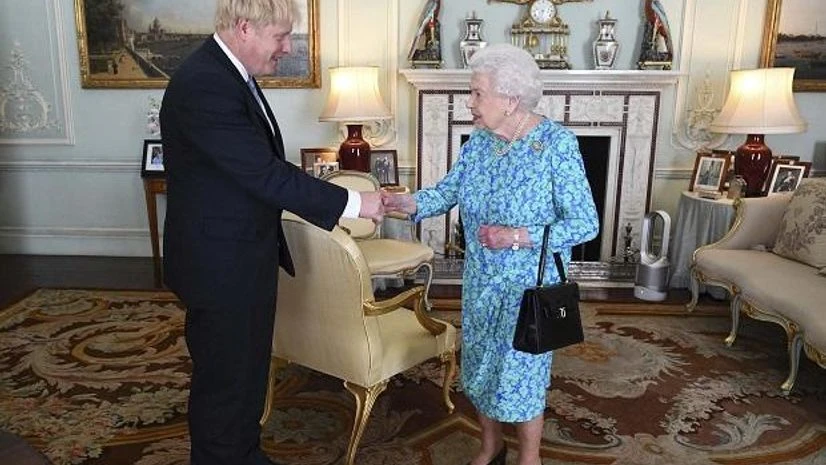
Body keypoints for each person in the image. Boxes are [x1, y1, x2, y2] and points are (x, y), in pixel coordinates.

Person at [158, 1, 383, 464]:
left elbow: (261, 168)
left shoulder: (227, 75)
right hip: (219, 264)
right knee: (225, 381)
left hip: (236, 255)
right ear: (244, 28)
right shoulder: (205, 84)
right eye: (280, 37)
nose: (286, 48)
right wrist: (354, 201)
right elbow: (262, 172)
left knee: (243, 372)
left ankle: (242, 452)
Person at [383, 43, 599, 465]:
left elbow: (585, 222)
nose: (470, 102)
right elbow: (449, 191)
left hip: (528, 287)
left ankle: (529, 457)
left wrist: (517, 235)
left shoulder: (556, 144)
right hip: (481, 282)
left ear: (510, 98)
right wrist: (406, 203)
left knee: (521, 375)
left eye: (478, 93)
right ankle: (491, 446)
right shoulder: (479, 143)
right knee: (481, 366)